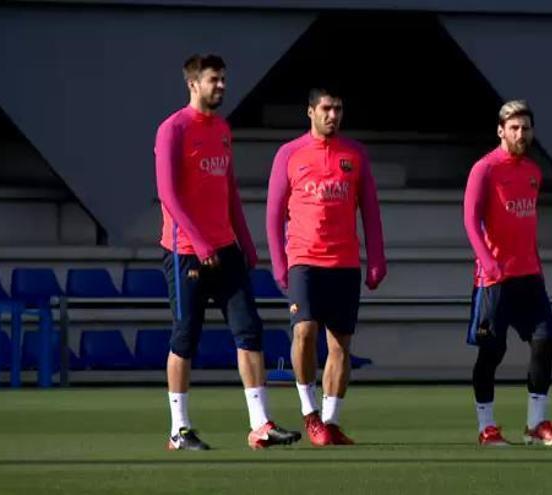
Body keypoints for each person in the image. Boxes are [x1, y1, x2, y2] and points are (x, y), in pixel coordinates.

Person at [155, 53, 301, 451]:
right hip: (187, 252)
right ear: (193, 84)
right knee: (185, 336)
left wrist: (246, 242)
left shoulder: (221, 128)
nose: (221, 86)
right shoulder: (173, 129)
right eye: (214, 80)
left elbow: (229, 190)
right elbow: (168, 194)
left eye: (223, 79)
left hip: (226, 249)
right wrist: (200, 243)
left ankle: (260, 425)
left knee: (249, 330)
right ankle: (179, 429)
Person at [266, 87, 386, 446]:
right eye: (326, 108)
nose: (333, 115)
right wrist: (278, 263)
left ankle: (331, 421)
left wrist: (377, 258)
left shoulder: (355, 154)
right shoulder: (289, 153)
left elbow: (371, 210)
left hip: (345, 262)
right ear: (310, 112)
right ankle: (309, 412)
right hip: (304, 258)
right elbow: (273, 214)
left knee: (340, 346)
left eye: (338, 109)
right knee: (304, 332)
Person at [463, 100, 552, 447]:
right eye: (513, 127)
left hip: (530, 277)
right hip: (494, 279)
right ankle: (487, 427)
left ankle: (536, 424)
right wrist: (489, 262)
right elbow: (470, 220)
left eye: (525, 128)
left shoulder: (533, 172)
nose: (520, 133)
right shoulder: (484, 169)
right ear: (500, 130)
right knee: (491, 354)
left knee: (545, 343)